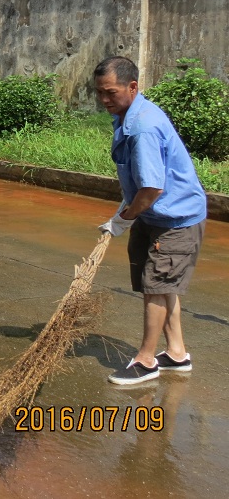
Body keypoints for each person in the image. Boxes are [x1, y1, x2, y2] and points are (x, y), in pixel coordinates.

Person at [94, 56, 207, 386]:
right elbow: (140, 179)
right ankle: (176, 353)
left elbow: (153, 187)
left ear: (132, 87)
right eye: (99, 93)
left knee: (156, 286)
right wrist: (127, 209)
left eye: (110, 93)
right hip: (154, 212)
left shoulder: (142, 126)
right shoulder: (127, 114)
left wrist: (124, 218)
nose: (104, 100)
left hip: (175, 218)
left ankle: (146, 360)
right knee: (162, 283)